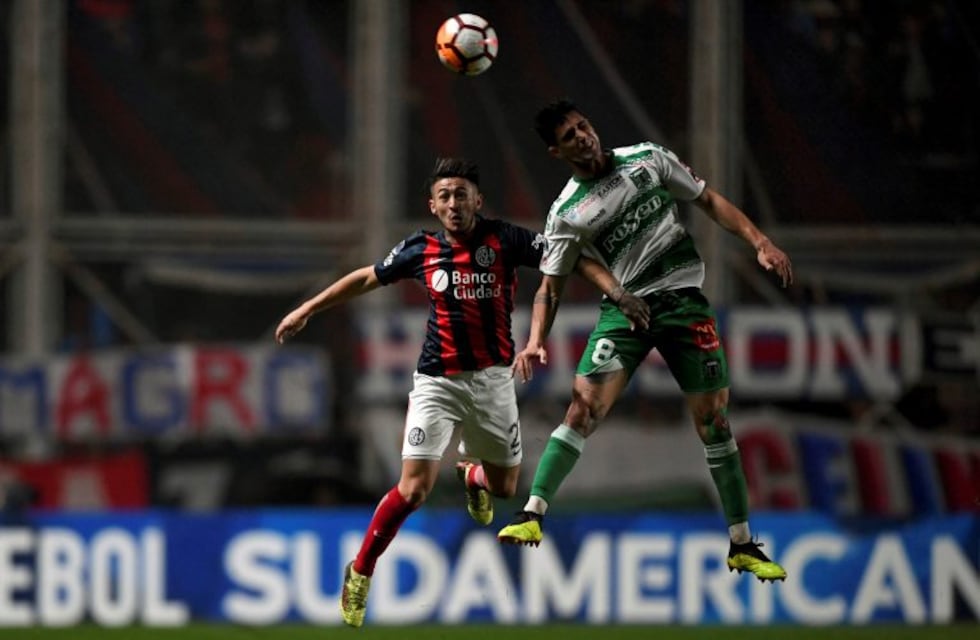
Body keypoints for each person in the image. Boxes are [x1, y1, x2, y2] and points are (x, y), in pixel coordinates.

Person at [275, 157, 644, 627]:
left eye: (462, 193)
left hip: (493, 381)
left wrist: (617, 292)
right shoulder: (420, 249)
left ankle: (474, 477)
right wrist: (309, 307)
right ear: (433, 205)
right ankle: (362, 569)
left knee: (508, 487)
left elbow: (571, 259)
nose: (454, 202)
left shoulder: (506, 239)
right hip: (437, 382)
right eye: (445, 195)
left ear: (478, 200)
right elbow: (368, 276)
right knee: (414, 490)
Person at [496, 99, 794, 583]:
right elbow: (551, 286)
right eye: (570, 135)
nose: (583, 136)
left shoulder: (647, 158)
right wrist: (533, 343)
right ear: (557, 151)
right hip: (626, 312)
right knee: (582, 408)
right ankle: (532, 514)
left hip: (685, 304)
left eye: (584, 125)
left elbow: (708, 200)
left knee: (714, 421)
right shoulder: (567, 213)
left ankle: (742, 543)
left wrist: (760, 241)